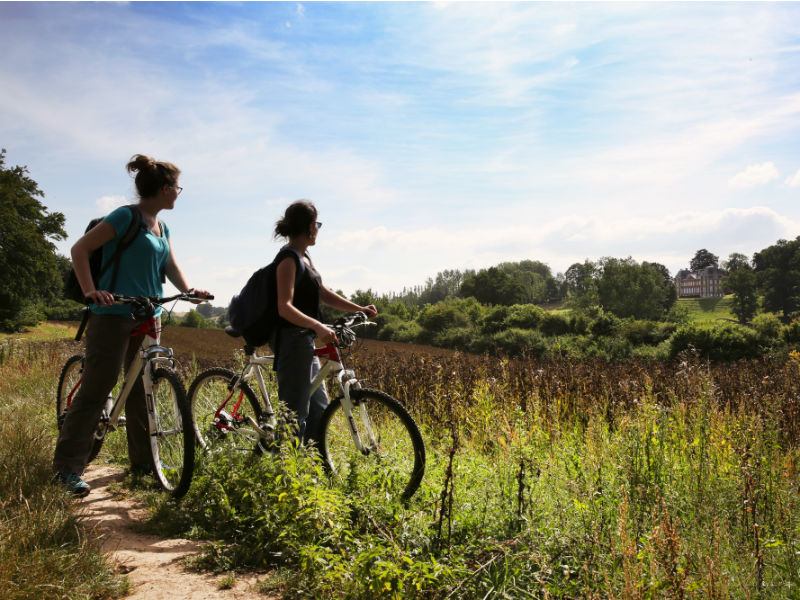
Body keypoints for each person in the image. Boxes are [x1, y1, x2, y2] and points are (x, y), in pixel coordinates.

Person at [53, 154, 211, 496]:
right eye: (177, 187)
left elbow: (170, 265)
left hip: (149, 314)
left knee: (144, 389)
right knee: (97, 388)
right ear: (164, 188)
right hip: (113, 315)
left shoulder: (162, 226)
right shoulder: (125, 217)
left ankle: (143, 462)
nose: (179, 193)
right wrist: (91, 291)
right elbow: (79, 249)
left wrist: (188, 291)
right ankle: (67, 470)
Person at [271, 200, 377, 445]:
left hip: (304, 338)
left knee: (318, 407)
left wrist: (358, 308)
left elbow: (323, 292)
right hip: (289, 338)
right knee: (294, 413)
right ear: (310, 227)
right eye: (317, 224)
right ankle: (283, 470)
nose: (317, 229)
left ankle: (316, 465)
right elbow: (283, 306)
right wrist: (318, 326)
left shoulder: (304, 256)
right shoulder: (288, 259)